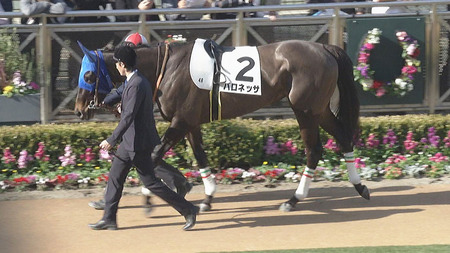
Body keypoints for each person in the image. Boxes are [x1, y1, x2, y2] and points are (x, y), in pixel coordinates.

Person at [88, 45, 199, 231]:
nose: (116, 67)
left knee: (152, 183)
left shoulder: (137, 84)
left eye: (117, 64)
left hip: (138, 143)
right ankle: (108, 218)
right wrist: (106, 102)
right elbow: (124, 99)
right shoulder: (134, 80)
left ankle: (188, 210)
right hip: (130, 142)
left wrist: (111, 140)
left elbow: (129, 116)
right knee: (115, 178)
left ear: (123, 64)